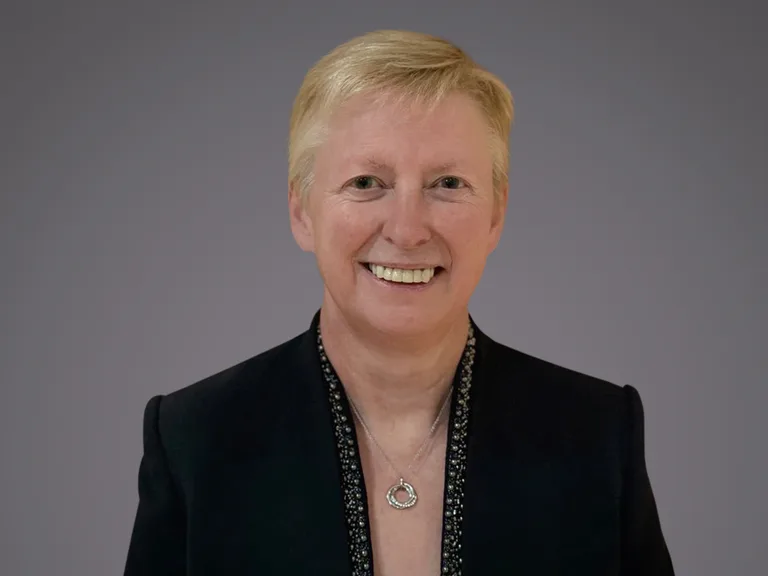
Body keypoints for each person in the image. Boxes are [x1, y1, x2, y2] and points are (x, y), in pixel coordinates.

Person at [123, 29, 675, 575]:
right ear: (301, 211)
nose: (408, 230)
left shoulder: (596, 434)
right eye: (366, 181)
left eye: (448, 184)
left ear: (496, 215)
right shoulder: (197, 441)